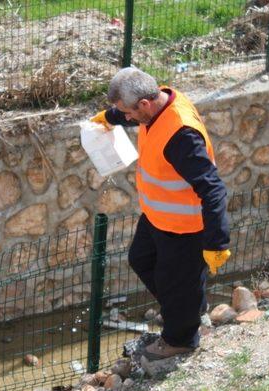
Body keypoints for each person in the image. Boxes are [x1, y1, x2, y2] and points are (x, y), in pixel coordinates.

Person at [91, 67, 231, 361]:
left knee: (174, 281)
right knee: (141, 259)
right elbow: (130, 113)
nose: (126, 118)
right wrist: (109, 117)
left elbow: (213, 188)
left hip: (184, 226)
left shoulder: (181, 135)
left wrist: (216, 242)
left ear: (144, 104)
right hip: (158, 217)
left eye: (126, 113)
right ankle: (188, 307)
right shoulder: (158, 102)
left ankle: (180, 340)